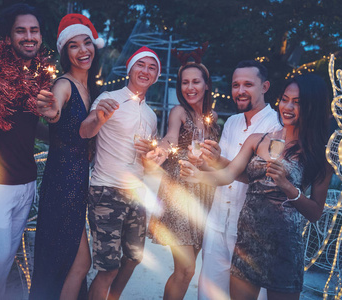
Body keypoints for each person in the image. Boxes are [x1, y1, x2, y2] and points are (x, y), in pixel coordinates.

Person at [181, 73, 332, 299]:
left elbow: (315, 212)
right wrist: (198, 175)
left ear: (313, 106)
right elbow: (229, 174)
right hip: (248, 242)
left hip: (284, 248)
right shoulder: (258, 139)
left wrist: (288, 187)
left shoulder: (319, 154)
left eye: (297, 102)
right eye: (285, 99)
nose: (287, 106)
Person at [0, 3, 51, 299]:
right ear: (8, 35)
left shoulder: (39, 73)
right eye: (21, 31)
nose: (29, 36)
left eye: (34, 30)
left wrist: (67, 137)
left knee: (4, 260)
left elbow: (29, 124)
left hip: (26, 182)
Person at [30, 14, 104, 299]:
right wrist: (52, 109)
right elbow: (55, 103)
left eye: (87, 42)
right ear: (65, 52)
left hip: (76, 186)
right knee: (70, 261)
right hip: (62, 184)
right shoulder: (64, 84)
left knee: (75, 262)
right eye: (73, 45)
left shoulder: (90, 88)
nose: (83, 50)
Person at [79, 46, 161, 300]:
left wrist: (150, 154)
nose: (145, 71)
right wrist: (100, 118)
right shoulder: (109, 97)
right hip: (107, 190)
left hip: (137, 194)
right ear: (130, 68)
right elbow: (85, 132)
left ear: (156, 75)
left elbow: (149, 164)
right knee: (108, 267)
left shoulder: (151, 115)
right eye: (141, 65)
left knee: (134, 258)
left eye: (152, 67)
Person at [196, 60, 281, 300]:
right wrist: (203, 161)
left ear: (264, 86)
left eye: (247, 84)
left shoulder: (276, 127)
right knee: (209, 293)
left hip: (249, 229)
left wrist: (218, 164)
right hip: (217, 221)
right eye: (235, 85)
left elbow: (263, 179)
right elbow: (220, 167)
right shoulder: (232, 122)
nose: (240, 91)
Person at [147, 58, 219, 299]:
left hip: (204, 195)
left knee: (189, 271)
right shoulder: (179, 111)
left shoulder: (214, 118)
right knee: (185, 268)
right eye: (185, 82)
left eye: (195, 82)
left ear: (206, 85)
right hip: (179, 193)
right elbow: (170, 138)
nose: (190, 87)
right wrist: (162, 149)